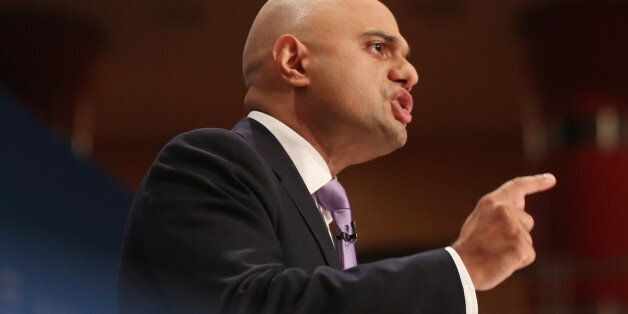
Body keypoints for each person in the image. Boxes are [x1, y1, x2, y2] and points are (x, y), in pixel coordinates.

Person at [117, 0, 557, 313]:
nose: (410, 72)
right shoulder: (211, 161)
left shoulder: (323, 209)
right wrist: (463, 264)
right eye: (378, 47)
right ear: (295, 62)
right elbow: (246, 305)